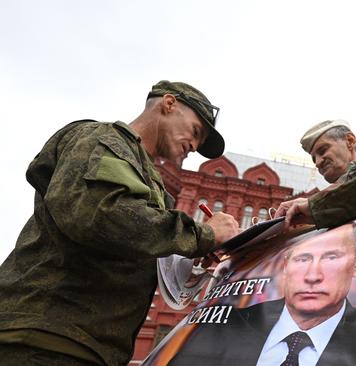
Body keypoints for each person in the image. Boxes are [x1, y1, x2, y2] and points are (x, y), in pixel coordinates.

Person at [0, 81, 240, 366]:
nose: (194, 145)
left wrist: (191, 255)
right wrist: (204, 234)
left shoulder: (147, 177)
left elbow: (132, 241)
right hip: (45, 337)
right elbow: (100, 214)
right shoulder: (103, 139)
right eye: (195, 131)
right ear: (168, 104)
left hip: (86, 345)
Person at [165, 223, 356, 365]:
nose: (313, 275)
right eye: (302, 260)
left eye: (331, 257)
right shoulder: (216, 329)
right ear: (285, 265)